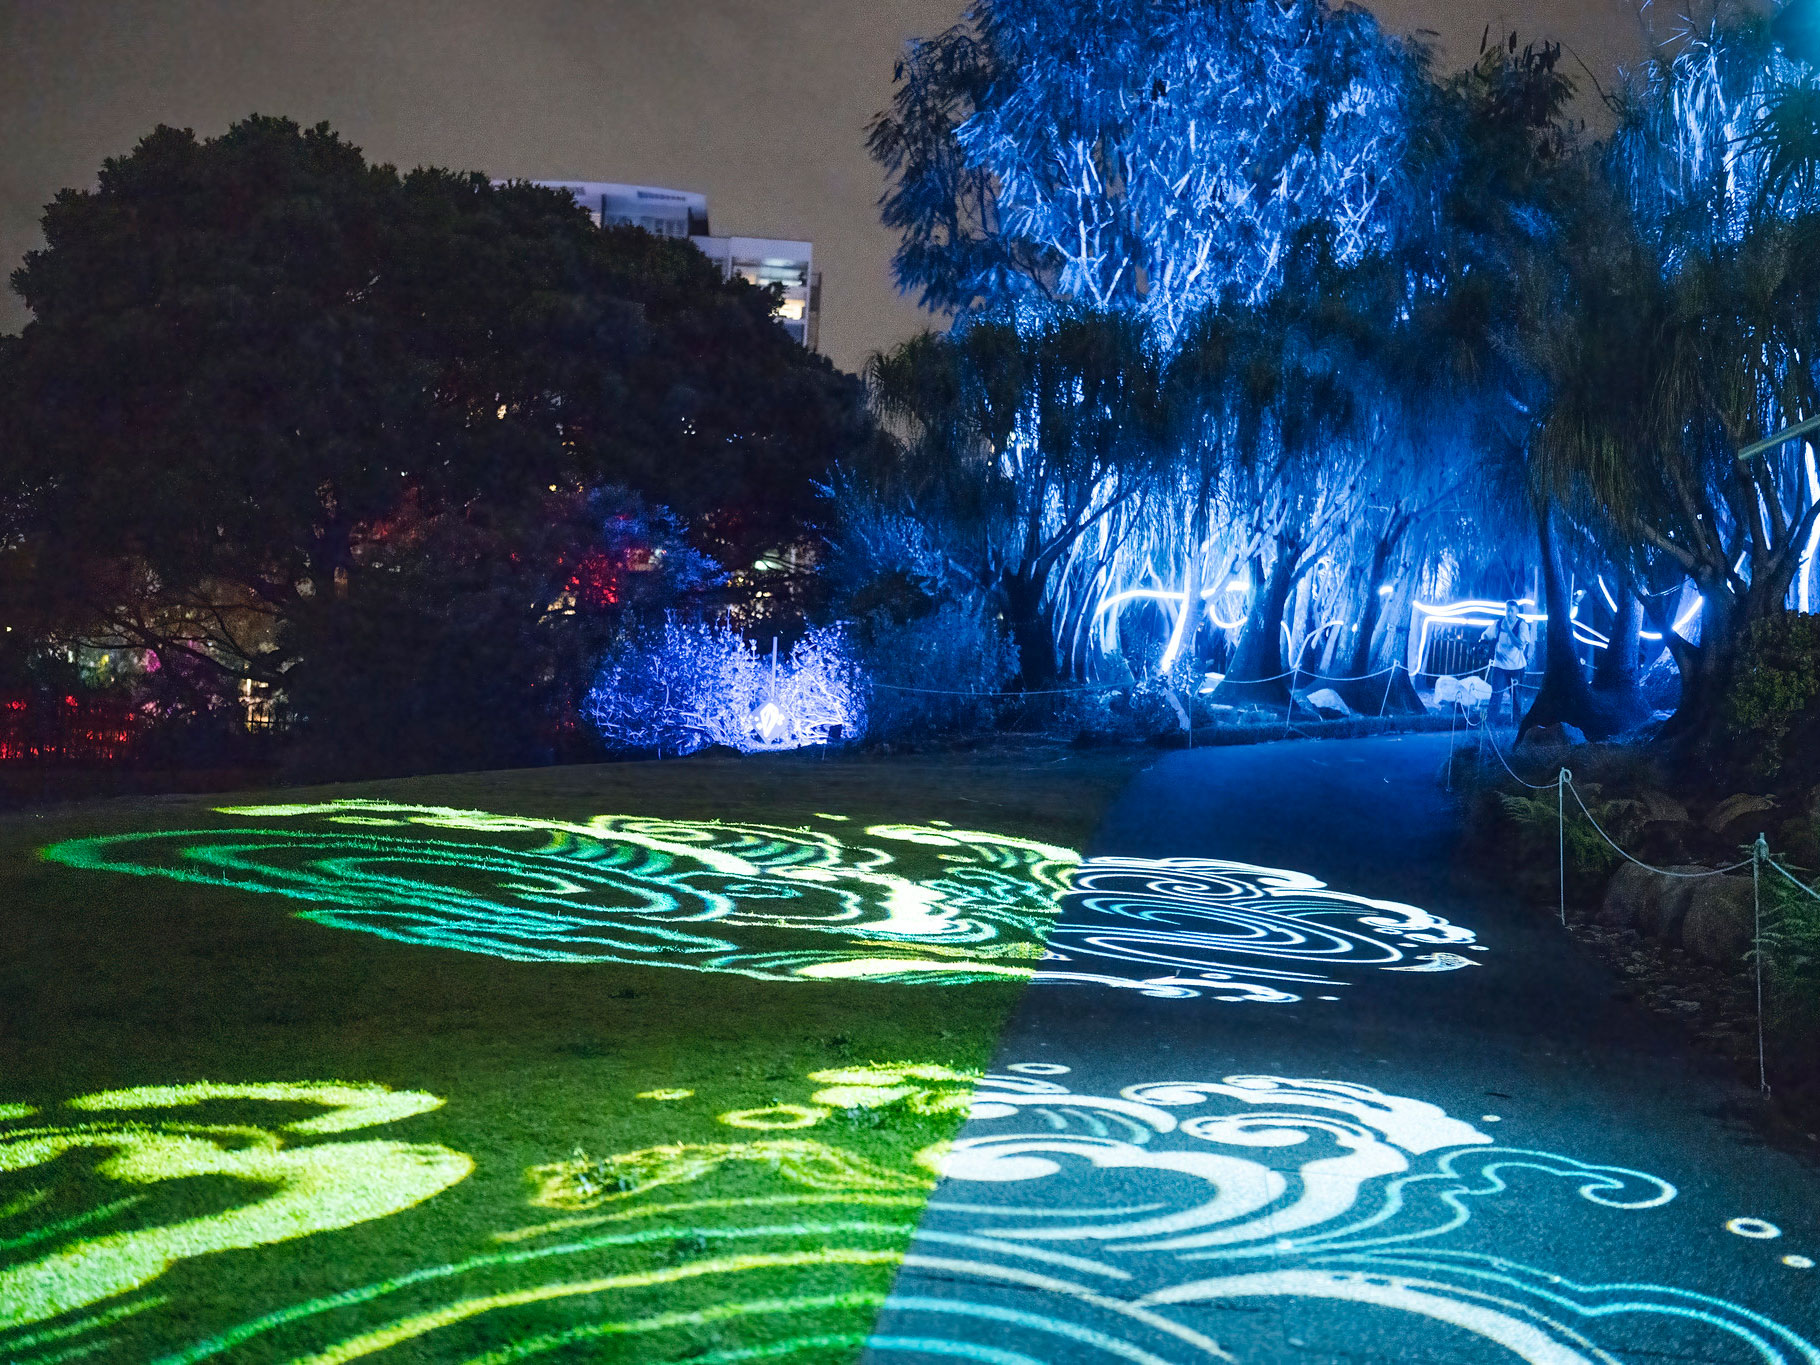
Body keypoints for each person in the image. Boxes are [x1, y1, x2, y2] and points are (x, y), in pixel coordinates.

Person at [1480, 600, 1535, 728]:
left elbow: (1520, 645)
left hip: (1517, 667)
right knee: (1496, 695)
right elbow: (1486, 635)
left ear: (1517, 612)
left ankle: (1517, 726)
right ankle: (1490, 725)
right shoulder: (1498, 624)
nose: (1509, 613)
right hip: (1499, 665)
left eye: (1512, 610)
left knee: (1516, 697)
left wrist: (1509, 631)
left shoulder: (1522, 625)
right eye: (1507, 610)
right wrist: (1482, 643)